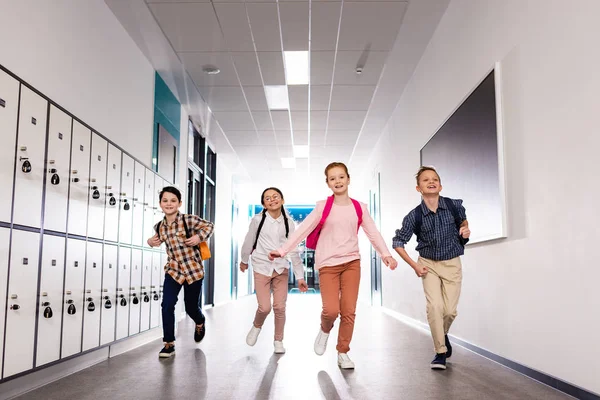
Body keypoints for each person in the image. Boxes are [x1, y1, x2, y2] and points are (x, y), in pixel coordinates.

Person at [269, 162, 398, 369]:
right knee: (331, 310)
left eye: (341, 177)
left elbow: (372, 232)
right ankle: (325, 329)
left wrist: (385, 254)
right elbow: (302, 230)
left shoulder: (359, 207)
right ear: (328, 183)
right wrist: (283, 250)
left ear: (348, 179)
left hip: (352, 263)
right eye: (332, 178)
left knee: (348, 310)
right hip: (328, 263)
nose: (337, 181)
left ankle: (343, 352)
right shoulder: (323, 206)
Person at [392, 166, 470, 370]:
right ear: (418, 188)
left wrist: (464, 228)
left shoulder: (453, 206)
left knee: (450, 311)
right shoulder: (414, 216)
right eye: (426, 180)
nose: (431, 181)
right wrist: (414, 266)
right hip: (427, 264)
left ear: (440, 185)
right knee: (435, 307)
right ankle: (440, 352)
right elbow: (398, 242)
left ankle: (441, 333)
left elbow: (463, 220)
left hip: (452, 262)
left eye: (435, 179)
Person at [147, 186, 215, 358]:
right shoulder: (160, 226)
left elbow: (209, 226)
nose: (169, 204)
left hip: (193, 270)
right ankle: (168, 344)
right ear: (160, 204)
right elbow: (156, 240)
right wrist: (150, 241)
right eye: (165, 200)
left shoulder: (188, 220)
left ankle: (200, 321)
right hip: (174, 271)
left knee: (191, 306)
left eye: (173, 200)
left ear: (179, 203)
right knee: (167, 305)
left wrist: (199, 237)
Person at [240, 187, 308, 354]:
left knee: (279, 307)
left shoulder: (289, 222)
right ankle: (257, 326)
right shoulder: (257, 220)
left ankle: (278, 340)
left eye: (275, 196)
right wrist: (243, 260)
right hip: (261, 266)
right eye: (267, 198)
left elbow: (292, 248)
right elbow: (249, 240)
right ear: (263, 204)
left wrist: (299, 276)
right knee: (264, 307)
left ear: (282, 200)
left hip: (280, 268)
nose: (272, 200)